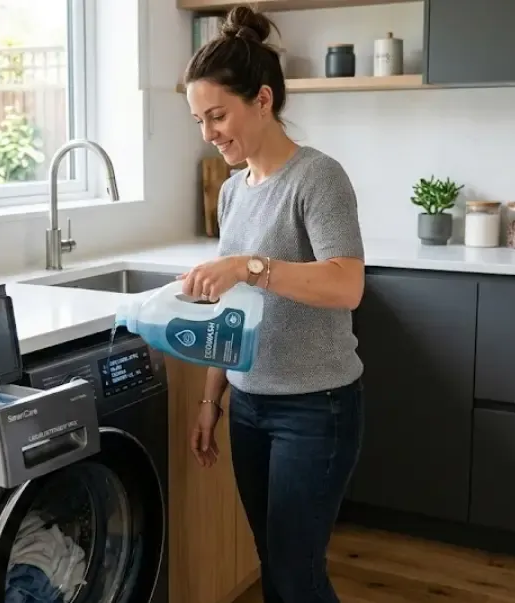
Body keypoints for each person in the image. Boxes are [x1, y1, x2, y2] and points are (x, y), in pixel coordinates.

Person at [179, 5, 367, 603]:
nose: (208, 133)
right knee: (276, 566)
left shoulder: (318, 178)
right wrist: (213, 397)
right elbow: (228, 310)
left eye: (218, 115)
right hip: (250, 407)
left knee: (296, 573)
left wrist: (250, 267)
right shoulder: (233, 191)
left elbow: (346, 284)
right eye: (199, 120)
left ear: (262, 100)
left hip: (317, 410)